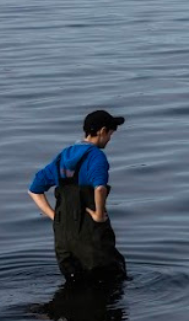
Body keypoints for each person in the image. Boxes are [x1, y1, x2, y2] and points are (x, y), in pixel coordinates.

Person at [29, 110, 127, 282]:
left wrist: (55, 217)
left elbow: (34, 190)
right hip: (90, 233)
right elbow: (99, 188)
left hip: (63, 235)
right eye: (111, 134)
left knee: (75, 281)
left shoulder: (62, 156)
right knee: (111, 279)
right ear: (102, 131)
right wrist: (98, 215)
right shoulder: (96, 156)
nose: (110, 138)